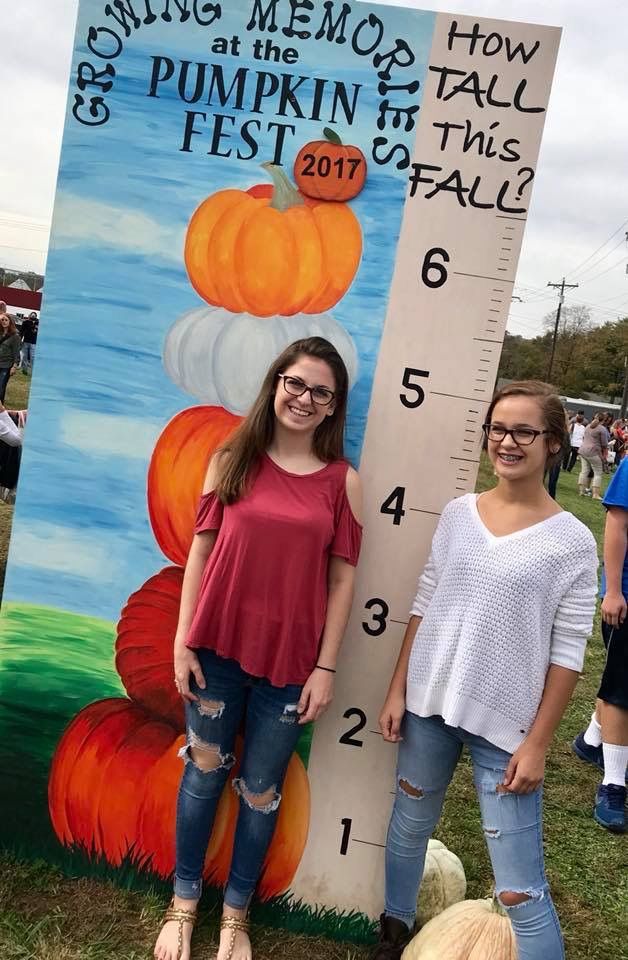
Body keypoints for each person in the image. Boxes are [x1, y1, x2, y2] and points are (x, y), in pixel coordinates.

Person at [372, 380, 598, 960]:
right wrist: (399, 689)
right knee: (407, 826)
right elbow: (425, 602)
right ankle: (392, 933)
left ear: (553, 443)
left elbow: (568, 652)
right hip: (429, 704)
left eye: (524, 431)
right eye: (498, 428)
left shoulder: (572, 542)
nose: (507, 441)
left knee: (520, 886)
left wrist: (539, 743)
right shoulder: (458, 514)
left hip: (508, 728)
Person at [154, 337, 362, 960]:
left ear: (333, 408)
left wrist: (326, 668)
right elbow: (201, 552)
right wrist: (182, 639)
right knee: (203, 772)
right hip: (215, 650)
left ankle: (236, 919)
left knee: (263, 789)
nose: (303, 398)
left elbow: (344, 578)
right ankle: (183, 904)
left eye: (319, 392)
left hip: (290, 668)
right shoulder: (231, 460)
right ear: (275, 385)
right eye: (295, 383)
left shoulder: (340, 482)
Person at [572, 455, 628, 832]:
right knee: (621, 692)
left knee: (618, 682)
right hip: (626, 597)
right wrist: (612, 590)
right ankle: (614, 785)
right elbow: (617, 524)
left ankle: (592, 740)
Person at [578, 414, 608, 499]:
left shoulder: (588, 426)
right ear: (604, 420)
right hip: (593, 452)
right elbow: (604, 444)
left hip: (583, 450)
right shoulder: (602, 429)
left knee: (584, 471)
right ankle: (595, 494)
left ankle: (581, 491)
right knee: (598, 472)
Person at [0, 313, 21, 403]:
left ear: (10, 321)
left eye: (6, 320)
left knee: (1, 386)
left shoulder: (15, 336)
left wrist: (14, 366)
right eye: (2, 320)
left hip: (6, 365)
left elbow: (16, 353)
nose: (4, 322)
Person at [20, 311, 38, 375]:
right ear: (29, 315)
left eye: (34, 315)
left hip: (34, 342)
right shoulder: (25, 322)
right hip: (26, 341)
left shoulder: (38, 323)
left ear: (36, 316)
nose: (33, 315)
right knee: (25, 356)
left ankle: (33, 371)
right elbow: (21, 331)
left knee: (32, 357)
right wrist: (20, 339)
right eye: (32, 314)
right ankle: (24, 370)